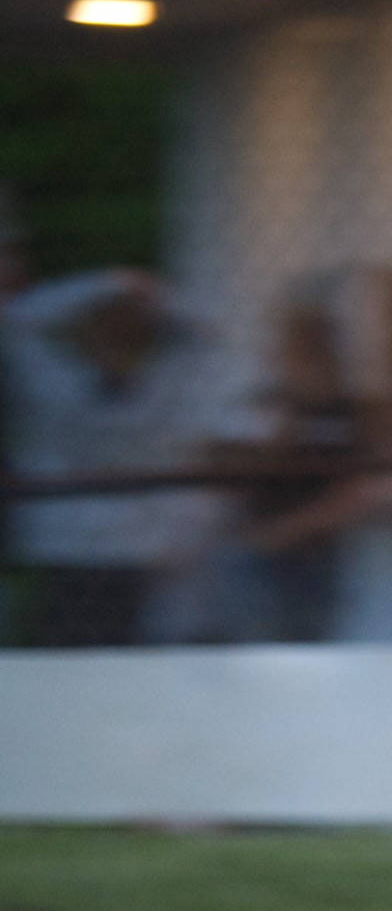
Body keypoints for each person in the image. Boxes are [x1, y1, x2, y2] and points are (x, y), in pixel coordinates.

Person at [2, 267, 223, 648]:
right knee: (114, 659)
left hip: (89, 549)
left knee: (74, 659)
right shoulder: (160, 397)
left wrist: (102, 284)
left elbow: (17, 319)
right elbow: (206, 335)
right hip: (114, 550)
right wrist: (146, 292)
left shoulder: (58, 388)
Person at [195, 301, 381, 641]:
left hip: (316, 555)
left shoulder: (350, 412)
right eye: (297, 348)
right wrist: (289, 422)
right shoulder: (262, 404)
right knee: (261, 651)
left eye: (316, 348)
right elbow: (223, 472)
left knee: (312, 651)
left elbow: (360, 489)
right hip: (255, 558)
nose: (308, 359)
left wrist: (294, 528)